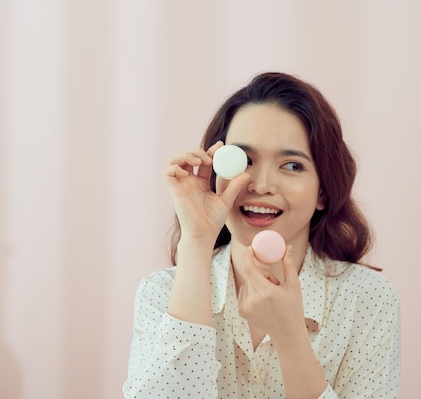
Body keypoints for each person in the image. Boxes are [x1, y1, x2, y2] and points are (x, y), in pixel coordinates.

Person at [123, 72, 401, 399]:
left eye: (292, 165)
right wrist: (196, 242)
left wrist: (290, 338)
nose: (261, 185)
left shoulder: (366, 300)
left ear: (323, 192)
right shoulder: (162, 292)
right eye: (245, 160)